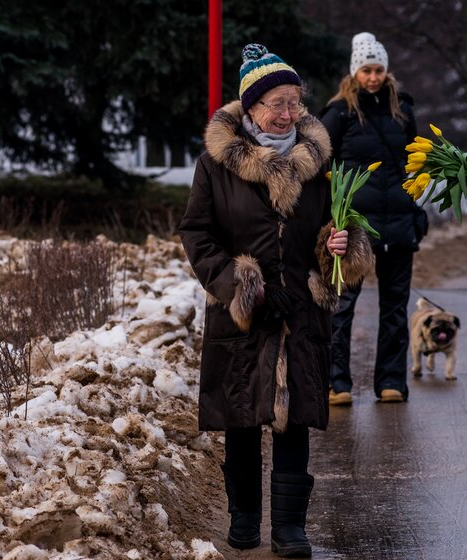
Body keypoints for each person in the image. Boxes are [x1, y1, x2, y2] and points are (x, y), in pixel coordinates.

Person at [178, 43, 373, 558]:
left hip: (300, 308)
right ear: (250, 109)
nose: (288, 114)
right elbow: (197, 234)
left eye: (294, 102)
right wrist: (237, 284)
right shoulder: (216, 164)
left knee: (296, 418)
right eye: (276, 104)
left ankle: (290, 527)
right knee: (242, 416)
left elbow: (340, 228)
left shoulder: (320, 164)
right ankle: (244, 518)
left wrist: (339, 243)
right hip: (243, 312)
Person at [320, 32, 426, 406]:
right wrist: (330, 216)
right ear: (355, 72)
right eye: (366, 70)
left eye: (379, 69)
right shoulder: (339, 114)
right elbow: (321, 166)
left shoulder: (403, 110)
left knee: (395, 306)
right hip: (354, 226)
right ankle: (337, 383)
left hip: (398, 221)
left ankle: (391, 382)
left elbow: (413, 162)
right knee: (343, 307)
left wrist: (417, 209)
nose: (374, 77)